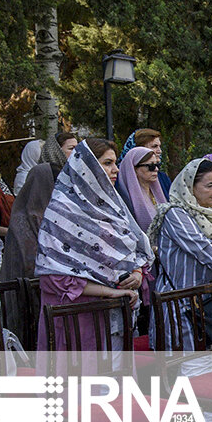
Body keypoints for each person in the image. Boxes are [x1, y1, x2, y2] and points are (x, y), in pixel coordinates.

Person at [34, 139, 152, 351]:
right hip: (77, 319)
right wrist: (112, 293)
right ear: (87, 168)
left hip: (116, 314)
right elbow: (55, 277)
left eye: (115, 163)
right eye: (107, 163)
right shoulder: (63, 210)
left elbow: (136, 248)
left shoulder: (113, 206)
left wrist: (136, 274)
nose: (115, 169)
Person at [148, 158, 212, 350]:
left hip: (211, 302)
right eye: (210, 185)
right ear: (189, 188)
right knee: (187, 366)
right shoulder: (174, 213)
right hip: (181, 304)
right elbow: (200, 247)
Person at [116, 146, 167, 233]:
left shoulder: (161, 191)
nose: (156, 169)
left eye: (157, 165)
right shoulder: (124, 199)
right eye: (151, 166)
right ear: (134, 169)